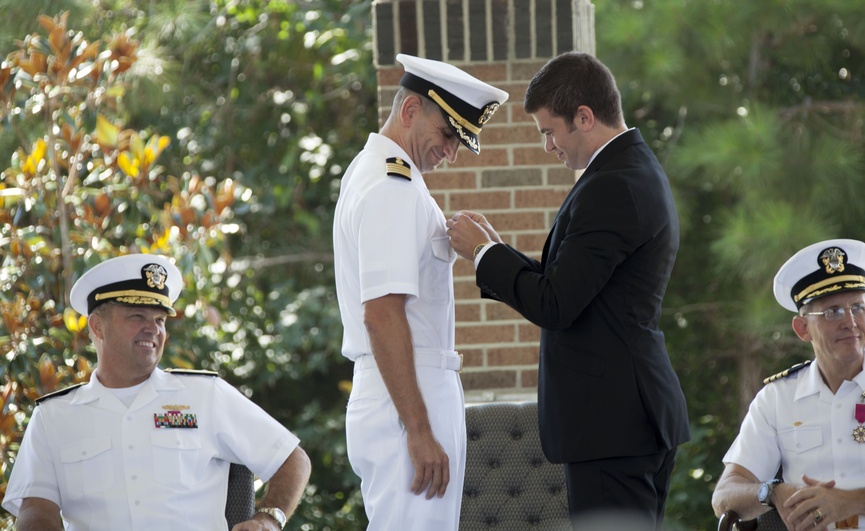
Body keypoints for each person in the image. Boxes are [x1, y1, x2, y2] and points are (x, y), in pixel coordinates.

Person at [446, 51, 690, 529]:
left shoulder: (612, 185)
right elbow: (574, 281)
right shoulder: (627, 170)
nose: (547, 146)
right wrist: (496, 250)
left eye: (548, 131)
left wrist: (482, 255)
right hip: (624, 418)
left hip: (613, 424)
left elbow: (557, 303)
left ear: (584, 116)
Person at [2, 253, 311, 530]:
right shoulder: (55, 416)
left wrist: (269, 519)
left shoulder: (205, 396)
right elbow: (36, 509)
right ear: (97, 327)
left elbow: (292, 459)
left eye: (160, 319)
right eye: (137, 317)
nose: (154, 329)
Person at [332, 53, 508, 531]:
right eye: (448, 135)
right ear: (410, 111)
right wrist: (419, 429)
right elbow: (382, 314)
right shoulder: (393, 184)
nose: (450, 154)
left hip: (402, 389)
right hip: (408, 395)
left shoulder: (382, 174)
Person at [711, 238, 865, 531]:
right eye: (832, 311)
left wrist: (852, 501)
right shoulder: (777, 397)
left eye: (857, 307)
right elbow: (724, 495)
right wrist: (773, 492)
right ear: (802, 328)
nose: (850, 321)